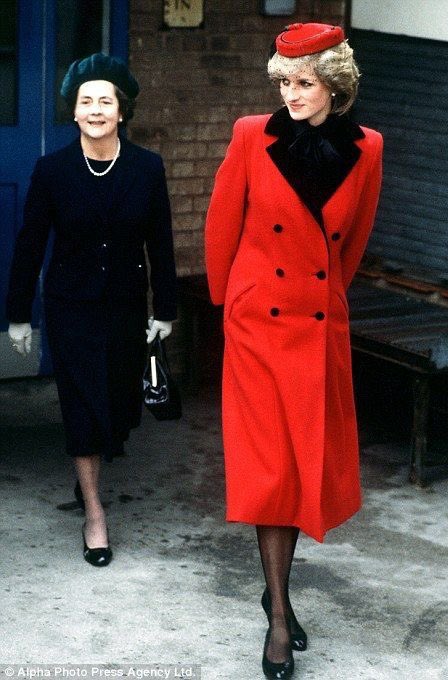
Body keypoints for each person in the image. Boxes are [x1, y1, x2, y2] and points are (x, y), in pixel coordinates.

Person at [205, 22, 383, 679]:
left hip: (316, 329)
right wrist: (231, 309)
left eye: (303, 82)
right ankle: (279, 617)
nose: (290, 94)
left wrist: (329, 308)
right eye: (283, 82)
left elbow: (353, 243)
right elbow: (222, 222)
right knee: (271, 476)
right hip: (258, 329)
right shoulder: (252, 134)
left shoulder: (369, 148)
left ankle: (274, 585)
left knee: (304, 475)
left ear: (336, 85)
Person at [6, 53, 177, 568]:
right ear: (74, 113)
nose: (96, 109)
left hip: (125, 307)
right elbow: (31, 244)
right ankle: (95, 514)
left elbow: (161, 244)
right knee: (82, 404)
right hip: (71, 307)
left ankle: (91, 476)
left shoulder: (147, 168)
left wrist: (164, 309)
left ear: (121, 112)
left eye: (106, 101)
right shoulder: (52, 170)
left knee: (118, 409)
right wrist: (19, 316)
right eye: (86, 102)